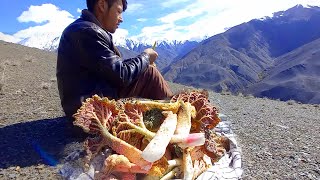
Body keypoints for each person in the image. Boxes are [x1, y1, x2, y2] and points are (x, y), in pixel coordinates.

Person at [57, 0, 173, 119]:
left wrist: (143, 63)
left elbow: (113, 68)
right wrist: (146, 57)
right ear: (102, 5)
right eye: (118, 11)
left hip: (90, 103)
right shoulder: (88, 32)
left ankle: (168, 114)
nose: (121, 19)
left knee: (145, 70)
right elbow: (121, 75)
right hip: (91, 112)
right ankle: (175, 113)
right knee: (149, 73)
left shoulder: (84, 28)